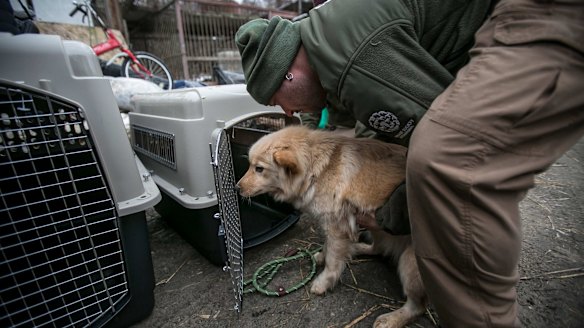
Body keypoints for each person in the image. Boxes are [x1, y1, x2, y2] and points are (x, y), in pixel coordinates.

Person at [235, 0, 584, 326]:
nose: (288, 112)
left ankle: (478, 312)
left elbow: (433, 124)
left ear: (289, 75)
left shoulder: (353, 57)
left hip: (551, 12)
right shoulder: (327, 46)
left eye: (278, 100)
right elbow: (373, 122)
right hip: (486, 24)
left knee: (445, 157)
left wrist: (388, 217)